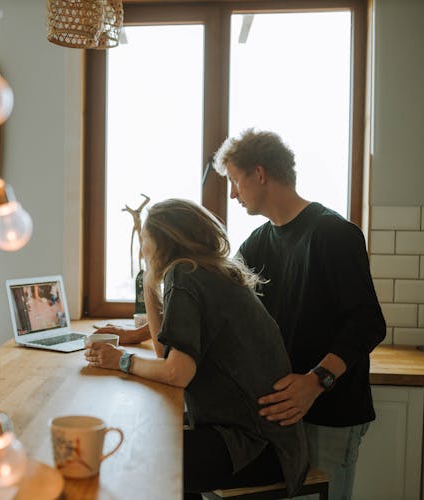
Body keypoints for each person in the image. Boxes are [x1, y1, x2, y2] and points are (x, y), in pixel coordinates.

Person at [85, 199, 309, 500]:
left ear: (164, 240)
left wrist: (122, 361)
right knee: (150, 445)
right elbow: (168, 355)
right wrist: (150, 279)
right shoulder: (210, 271)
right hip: (274, 447)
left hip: (252, 447)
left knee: (127, 455)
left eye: (145, 241)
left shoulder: (185, 274)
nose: (142, 251)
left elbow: (177, 372)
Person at [212, 129, 386, 500]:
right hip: (284, 413)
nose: (232, 193)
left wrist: (315, 381)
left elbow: (368, 323)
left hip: (330, 410)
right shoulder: (258, 241)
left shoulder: (334, 233)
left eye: (233, 180)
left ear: (259, 174)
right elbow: (221, 303)